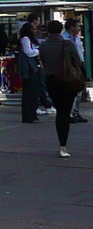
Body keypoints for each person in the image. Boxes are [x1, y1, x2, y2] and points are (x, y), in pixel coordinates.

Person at [39, 20, 84, 158]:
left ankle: (61, 145)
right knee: (65, 111)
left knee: (60, 112)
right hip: (67, 80)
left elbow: (43, 62)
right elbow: (78, 61)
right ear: (60, 30)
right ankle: (63, 146)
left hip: (52, 81)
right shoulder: (68, 44)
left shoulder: (43, 45)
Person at [19, 18, 42, 123]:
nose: (35, 30)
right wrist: (38, 51)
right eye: (32, 28)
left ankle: (33, 113)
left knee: (34, 92)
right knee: (29, 92)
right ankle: (28, 115)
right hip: (29, 68)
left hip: (34, 67)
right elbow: (28, 52)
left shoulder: (33, 39)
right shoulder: (25, 39)